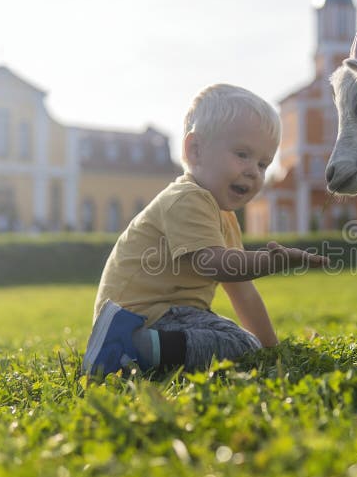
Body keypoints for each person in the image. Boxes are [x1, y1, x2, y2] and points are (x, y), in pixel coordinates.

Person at [82, 84, 327, 376]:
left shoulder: (222, 215)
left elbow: (243, 293)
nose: (253, 171)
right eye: (242, 154)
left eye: (263, 164)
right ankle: (130, 347)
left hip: (171, 316)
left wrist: (272, 350)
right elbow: (214, 264)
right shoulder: (189, 198)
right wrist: (271, 261)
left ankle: (144, 348)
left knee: (243, 342)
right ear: (195, 150)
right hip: (143, 315)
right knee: (238, 343)